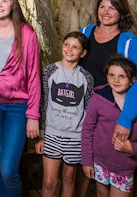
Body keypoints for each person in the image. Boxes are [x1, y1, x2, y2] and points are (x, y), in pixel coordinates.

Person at [75, 0, 137, 197]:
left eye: (112, 8)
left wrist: (126, 119)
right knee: (83, 164)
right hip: (83, 109)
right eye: (102, 7)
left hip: (112, 112)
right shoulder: (85, 33)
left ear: (121, 13)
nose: (106, 12)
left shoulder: (129, 43)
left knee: (114, 166)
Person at [0, 0, 41, 197]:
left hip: (17, 107)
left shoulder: (26, 33)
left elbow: (34, 76)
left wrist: (33, 116)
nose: (0, 4)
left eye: (5, 0)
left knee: (8, 168)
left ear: (13, 4)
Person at [81, 53, 137, 197]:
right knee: (101, 193)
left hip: (125, 167)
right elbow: (87, 130)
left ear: (132, 80)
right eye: (111, 75)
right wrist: (86, 160)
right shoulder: (98, 100)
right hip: (100, 162)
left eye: (122, 76)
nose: (116, 80)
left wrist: (132, 149)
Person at [35, 32, 94, 197]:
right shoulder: (49, 72)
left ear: (83, 53)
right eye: (67, 44)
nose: (69, 49)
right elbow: (42, 103)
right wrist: (40, 136)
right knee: (49, 181)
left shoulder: (86, 78)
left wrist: (86, 140)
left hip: (75, 137)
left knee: (69, 177)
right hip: (52, 135)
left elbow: (88, 109)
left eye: (76, 47)